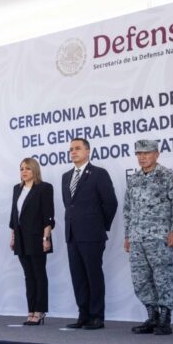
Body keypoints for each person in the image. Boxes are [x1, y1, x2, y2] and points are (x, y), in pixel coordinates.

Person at [123, 140, 173, 335]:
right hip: (137, 237)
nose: (142, 157)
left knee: (162, 278)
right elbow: (128, 209)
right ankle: (152, 317)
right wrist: (127, 235)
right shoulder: (133, 179)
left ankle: (165, 320)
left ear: (156, 154)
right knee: (140, 279)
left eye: (146, 153)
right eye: (139, 153)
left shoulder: (167, 176)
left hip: (159, 236)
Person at [61, 138, 118, 330]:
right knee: (78, 277)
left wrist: (100, 226)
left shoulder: (99, 174)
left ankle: (96, 316)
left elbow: (110, 203)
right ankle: (83, 315)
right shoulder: (66, 176)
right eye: (71, 149)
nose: (73, 152)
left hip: (92, 234)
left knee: (93, 276)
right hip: (72, 234)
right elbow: (69, 205)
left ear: (88, 151)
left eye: (77, 148)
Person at [9, 158, 55, 325]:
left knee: (39, 275)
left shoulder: (44, 188)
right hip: (21, 238)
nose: (24, 171)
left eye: (28, 168)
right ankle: (30, 310)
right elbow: (14, 215)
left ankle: (40, 311)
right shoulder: (17, 189)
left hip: (37, 238)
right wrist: (13, 236)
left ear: (34, 170)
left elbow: (48, 215)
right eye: (21, 168)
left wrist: (46, 238)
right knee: (28, 276)